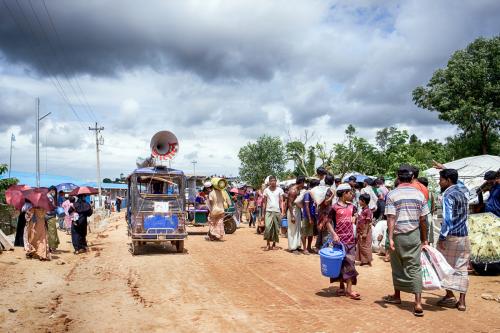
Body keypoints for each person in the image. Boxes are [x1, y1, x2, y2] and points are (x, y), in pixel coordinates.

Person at [382, 165, 429, 317]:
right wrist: (425, 239)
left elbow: (391, 217)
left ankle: (397, 296)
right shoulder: (420, 194)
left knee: (397, 266)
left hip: (397, 235)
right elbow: (423, 220)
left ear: (398, 177)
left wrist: (389, 238)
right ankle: (418, 303)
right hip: (414, 234)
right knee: (414, 267)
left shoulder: (392, 194)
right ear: (412, 177)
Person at [437, 168, 471, 311]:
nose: (439, 182)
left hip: (451, 236)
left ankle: (449, 294)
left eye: (441, 179)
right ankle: (462, 301)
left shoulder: (448, 195)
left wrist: (442, 237)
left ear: (448, 180)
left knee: (443, 265)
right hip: (464, 235)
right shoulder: (463, 192)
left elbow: (448, 218)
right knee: (462, 268)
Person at [326, 183, 360, 300]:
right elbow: (328, 222)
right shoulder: (334, 208)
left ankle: (349, 289)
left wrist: (355, 218)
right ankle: (341, 285)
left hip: (350, 240)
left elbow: (355, 219)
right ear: (344, 194)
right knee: (340, 264)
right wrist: (334, 234)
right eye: (350, 193)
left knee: (350, 264)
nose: (352, 195)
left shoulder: (353, 207)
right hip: (339, 241)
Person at [262, 176, 285, 250]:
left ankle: (274, 244)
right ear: (269, 182)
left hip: (277, 211)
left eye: (274, 181)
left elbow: (281, 201)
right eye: (271, 181)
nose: (273, 182)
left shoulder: (280, 190)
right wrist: (263, 213)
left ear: (276, 181)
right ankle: (268, 244)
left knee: (276, 228)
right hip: (268, 211)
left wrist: (282, 211)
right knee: (268, 227)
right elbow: (264, 203)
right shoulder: (266, 190)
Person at [286, 176, 305, 253]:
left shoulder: (297, 190)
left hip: (297, 210)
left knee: (297, 228)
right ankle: (292, 247)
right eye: (303, 183)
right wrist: (292, 216)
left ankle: (296, 246)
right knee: (292, 229)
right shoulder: (293, 191)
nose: (304, 184)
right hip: (293, 211)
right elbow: (289, 204)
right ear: (301, 182)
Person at [315, 175, 335, 250]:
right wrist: (332, 196)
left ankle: (318, 247)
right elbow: (326, 202)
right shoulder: (329, 190)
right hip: (326, 213)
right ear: (332, 181)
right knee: (327, 231)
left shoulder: (321, 189)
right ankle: (325, 249)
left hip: (321, 212)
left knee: (321, 230)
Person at [356, 193, 373, 266]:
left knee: (365, 246)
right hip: (361, 231)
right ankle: (363, 260)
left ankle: (366, 261)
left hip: (365, 231)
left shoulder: (367, 211)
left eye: (360, 200)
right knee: (362, 245)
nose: (358, 201)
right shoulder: (363, 209)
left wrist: (365, 233)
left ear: (363, 201)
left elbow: (367, 222)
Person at [302, 179, 319, 254]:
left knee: (311, 233)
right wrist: (309, 218)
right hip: (307, 216)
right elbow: (306, 206)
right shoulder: (307, 193)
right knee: (305, 233)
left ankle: (309, 247)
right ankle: (304, 248)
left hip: (312, 215)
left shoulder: (313, 193)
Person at [46, 186, 60, 252]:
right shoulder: (50, 197)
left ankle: (48, 246)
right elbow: (51, 206)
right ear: (52, 190)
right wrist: (56, 207)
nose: (54, 193)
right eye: (54, 191)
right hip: (50, 216)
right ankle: (52, 247)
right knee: (52, 232)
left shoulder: (46, 196)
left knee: (48, 232)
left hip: (45, 216)